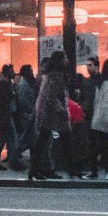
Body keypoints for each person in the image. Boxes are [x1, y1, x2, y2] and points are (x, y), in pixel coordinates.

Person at [31, 51, 70, 181]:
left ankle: (36, 169)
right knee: (45, 142)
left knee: (43, 142)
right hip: (49, 114)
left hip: (46, 112)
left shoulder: (50, 74)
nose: (67, 60)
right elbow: (51, 95)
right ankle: (70, 168)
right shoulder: (57, 75)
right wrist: (61, 109)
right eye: (65, 58)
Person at [0, 65, 18, 171]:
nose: (14, 73)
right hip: (5, 115)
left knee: (3, 138)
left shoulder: (5, 83)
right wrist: (13, 94)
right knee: (12, 138)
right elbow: (4, 101)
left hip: (4, 115)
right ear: (7, 72)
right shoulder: (4, 85)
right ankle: (13, 160)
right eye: (12, 71)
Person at [14, 64, 38, 170]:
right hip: (27, 115)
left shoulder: (27, 83)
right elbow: (23, 100)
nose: (32, 72)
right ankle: (14, 155)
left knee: (30, 138)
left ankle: (32, 159)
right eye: (30, 70)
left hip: (28, 115)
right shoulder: (24, 85)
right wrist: (31, 112)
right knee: (27, 138)